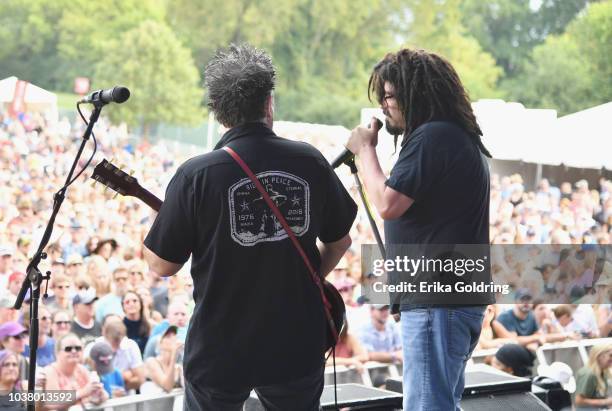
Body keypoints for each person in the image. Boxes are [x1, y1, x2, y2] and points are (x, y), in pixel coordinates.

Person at [143, 44, 356, 410]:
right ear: (269, 103)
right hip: (294, 342)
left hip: (220, 347)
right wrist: (300, 279)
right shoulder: (309, 160)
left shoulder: (196, 174)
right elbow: (339, 242)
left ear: (219, 111)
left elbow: (162, 265)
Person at [345, 47, 493, 410]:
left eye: (390, 95)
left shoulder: (434, 136)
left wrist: (365, 151)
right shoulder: (452, 136)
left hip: (438, 301)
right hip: (444, 298)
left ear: (416, 94)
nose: (383, 105)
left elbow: (387, 203)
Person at [42, 333, 108, 410]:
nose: (74, 351)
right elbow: (52, 402)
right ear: (57, 353)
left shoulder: (81, 369)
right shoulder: (50, 371)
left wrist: (99, 394)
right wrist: (83, 392)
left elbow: (104, 395)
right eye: (68, 349)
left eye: (78, 348)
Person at [142, 326, 184, 394]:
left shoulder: (178, 367)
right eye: (168, 336)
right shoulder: (151, 362)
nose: (173, 339)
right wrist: (174, 354)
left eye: (175, 336)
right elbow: (167, 387)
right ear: (160, 343)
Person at [574, 344, 612, 410]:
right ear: (599, 356)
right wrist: (604, 402)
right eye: (611, 355)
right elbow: (579, 400)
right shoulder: (588, 374)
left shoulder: (602, 372)